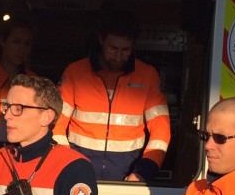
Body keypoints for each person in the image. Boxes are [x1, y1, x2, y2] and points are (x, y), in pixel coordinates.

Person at [53, 10, 170, 182]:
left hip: (130, 175)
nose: (118, 57)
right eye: (113, 48)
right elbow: (55, 123)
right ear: (101, 40)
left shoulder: (147, 76)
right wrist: (66, 165)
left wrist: (143, 172)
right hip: (77, 172)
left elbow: (161, 130)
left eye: (125, 50)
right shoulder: (75, 73)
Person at [0, 18, 36, 167]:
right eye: (16, 41)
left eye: (27, 44)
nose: (22, 49)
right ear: (3, 41)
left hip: (21, 162)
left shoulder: (35, 83)